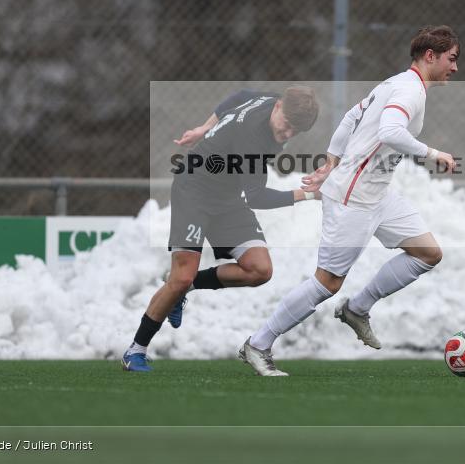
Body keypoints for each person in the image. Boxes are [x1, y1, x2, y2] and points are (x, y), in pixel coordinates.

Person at [238, 25, 460, 376]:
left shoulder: (395, 83)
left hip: (378, 193)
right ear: (430, 56)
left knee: (428, 253)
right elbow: (390, 131)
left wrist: (331, 163)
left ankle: (357, 309)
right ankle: (258, 343)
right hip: (352, 198)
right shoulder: (409, 90)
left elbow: (350, 118)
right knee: (326, 283)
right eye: (452, 58)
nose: (455, 67)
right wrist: (433, 153)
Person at [122, 86, 320, 372]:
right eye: (287, 125)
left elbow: (240, 96)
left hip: (226, 197)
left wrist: (205, 128)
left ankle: (189, 286)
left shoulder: (270, 101)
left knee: (259, 270)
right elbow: (257, 197)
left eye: (295, 131)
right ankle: (136, 350)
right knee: (179, 277)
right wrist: (309, 195)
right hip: (194, 191)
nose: (288, 133)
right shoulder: (251, 137)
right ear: (278, 107)